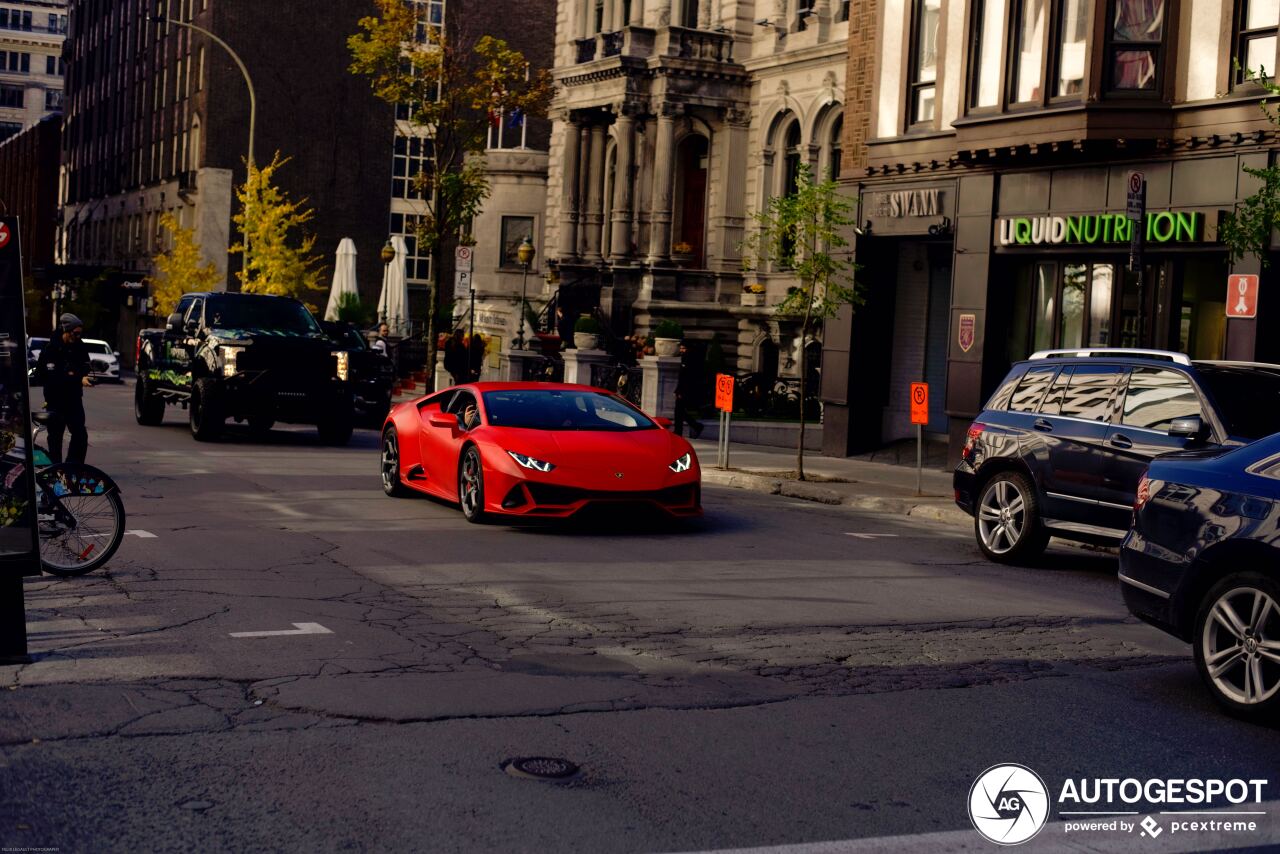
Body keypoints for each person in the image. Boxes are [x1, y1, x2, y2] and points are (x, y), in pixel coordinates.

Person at [39, 313, 92, 464]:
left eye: (80, 333)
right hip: (55, 399)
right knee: (55, 437)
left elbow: (85, 365)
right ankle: (55, 469)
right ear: (66, 330)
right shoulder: (51, 349)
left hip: (74, 398)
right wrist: (75, 377)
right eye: (75, 333)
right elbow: (50, 376)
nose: (78, 336)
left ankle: (72, 467)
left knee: (80, 435)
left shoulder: (79, 346)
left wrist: (80, 374)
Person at [673, 342, 704, 439]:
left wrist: (680, 391)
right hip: (683, 390)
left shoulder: (689, 360)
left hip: (685, 391)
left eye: (684, 348)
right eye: (681, 348)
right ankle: (695, 426)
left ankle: (680, 431)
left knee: (679, 411)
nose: (681, 350)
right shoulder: (685, 359)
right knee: (680, 411)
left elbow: (686, 378)